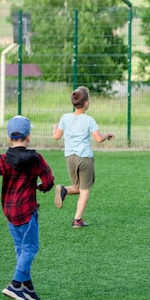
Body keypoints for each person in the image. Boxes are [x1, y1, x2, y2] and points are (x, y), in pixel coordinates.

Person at [0, 115, 55, 300]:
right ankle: (15, 284)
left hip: (9, 211)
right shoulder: (36, 158)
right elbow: (49, 181)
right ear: (29, 136)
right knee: (30, 248)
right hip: (27, 211)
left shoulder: (2, 159)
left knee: (20, 248)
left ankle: (28, 288)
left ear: (9, 138)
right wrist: (42, 187)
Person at [52, 86, 114, 227]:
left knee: (78, 187)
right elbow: (98, 139)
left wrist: (55, 128)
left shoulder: (65, 117)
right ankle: (77, 220)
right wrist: (107, 134)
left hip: (70, 158)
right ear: (86, 103)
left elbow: (56, 137)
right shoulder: (89, 120)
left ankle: (64, 190)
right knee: (84, 190)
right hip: (85, 158)